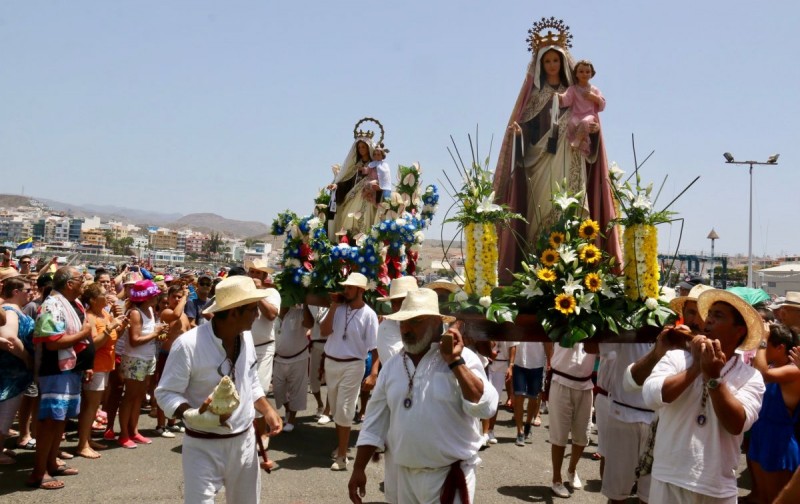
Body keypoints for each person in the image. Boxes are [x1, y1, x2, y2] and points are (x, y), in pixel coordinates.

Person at [493, 18, 620, 283]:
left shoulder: (575, 91)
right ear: (540, 65)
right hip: (540, 160)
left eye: (555, 60)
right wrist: (519, 134)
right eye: (547, 61)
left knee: (570, 207)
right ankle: (537, 265)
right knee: (540, 208)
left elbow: (593, 121)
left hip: (570, 157)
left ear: (563, 63)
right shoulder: (534, 96)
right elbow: (526, 128)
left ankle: (571, 266)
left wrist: (592, 131)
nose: (552, 65)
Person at [348, 288, 498, 503]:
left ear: (436, 322)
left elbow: (486, 408)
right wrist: (358, 468)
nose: (406, 329)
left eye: (415, 321)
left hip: (450, 478)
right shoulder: (391, 367)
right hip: (403, 476)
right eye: (403, 322)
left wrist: (455, 363)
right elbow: (374, 421)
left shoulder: (464, 358)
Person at [155, 276, 283, 504]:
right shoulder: (188, 345)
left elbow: (250, 379)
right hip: (202, 447)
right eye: (252, 309)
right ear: (233, 312)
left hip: (244, 444)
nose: (257, 315)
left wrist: (267, 409)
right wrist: (191, 414)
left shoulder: (246, 337)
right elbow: (165, 393)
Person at [642, 289, 765, 503]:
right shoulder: (677, 358)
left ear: (739, 330)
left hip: (717, 489)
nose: (708, 320)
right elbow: (651, 396)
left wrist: (714, 378)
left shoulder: (751, 376)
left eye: (718, 316)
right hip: (669, 479)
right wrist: (696, 368)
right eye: (710, 314)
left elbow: (737, 424)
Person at [28, 267, 94, 490]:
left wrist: (86, 363)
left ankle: (52, 462)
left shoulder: (73, 303)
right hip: (55, 372)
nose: (83, 282)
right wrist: (84, 333)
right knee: (50, 421)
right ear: (69, 284)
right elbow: (53, 343)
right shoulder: (52, 305)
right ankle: (39, 472)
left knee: (60, 420)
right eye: (80, 279)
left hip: (71, 371)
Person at [320, 272, 379, 471]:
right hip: (331, 363)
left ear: (360, 291)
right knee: (337, 410)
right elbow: (324, 331)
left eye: (350, 287)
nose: (345, 290)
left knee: (345, 409)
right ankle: (341, 446)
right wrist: (333, 306)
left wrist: (373, 373)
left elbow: (375, 348)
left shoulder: (369, 315)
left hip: (353, 365)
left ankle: (342, 456)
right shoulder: (337, 308)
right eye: (345, 287)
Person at [748, 322, 800, 503]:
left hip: (778, 443)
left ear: (780, 348)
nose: (760, 350)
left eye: (765, 346)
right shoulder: (772, 367)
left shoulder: (794, 371)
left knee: (775, 499)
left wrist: (762, 339)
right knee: (762, 498)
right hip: (761, 436)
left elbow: (762, 374)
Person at [75, 283, 126, 459]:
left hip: (105, 365)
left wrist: (121, 326)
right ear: (93, 300)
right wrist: (110, 327)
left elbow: (113, 338)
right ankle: (82, 444)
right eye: (104, 294)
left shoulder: (104, 313)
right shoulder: (90, 317)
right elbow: (93, 345)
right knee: (90, 406)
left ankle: (87, 439)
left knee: (93, 406)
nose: (108, 296)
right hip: (95, 366)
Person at [118, 280, 167, 448]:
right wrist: (156, 333)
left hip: (147, 358)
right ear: (146, 297)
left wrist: (158, 334)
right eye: (154, 295)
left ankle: (134, 430)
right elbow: (134, 340)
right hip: (135, 359)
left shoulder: (150, 310)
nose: (157, 297)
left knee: (138, 396)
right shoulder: (135, 313)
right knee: (130, 397)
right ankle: (124, 434)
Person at [547, 341, 596, 497]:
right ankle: (556, 479)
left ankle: (572, 470)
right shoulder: (561, 324)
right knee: (559, 436)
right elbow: (547, 339)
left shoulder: (596, 326)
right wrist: (549, 359)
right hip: (561, 380)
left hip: (586, 385)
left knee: (582, 436)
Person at [0, 276, 35, 464]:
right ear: (16, 292)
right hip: (10, 372)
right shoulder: (11, 311)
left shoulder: (14, 311)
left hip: (14, 372)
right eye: (28, 290)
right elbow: (10, 339)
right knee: (6, 411)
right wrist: (27, 358)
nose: (31, 293)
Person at [155, 283, 191, 437]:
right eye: (174, 297)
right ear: (168, 298)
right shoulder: (167, 312)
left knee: (180, 390)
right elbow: (175, 315)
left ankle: (172, 422)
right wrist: (185, 297)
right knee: (165, 389)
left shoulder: (184, 315)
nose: (177, 299)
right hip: (167, 355)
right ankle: (160, 425)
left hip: (182, 357)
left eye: (179, 297)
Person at [328, 130, 377, 238]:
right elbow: (348, 180)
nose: (361, 149)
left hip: (367, 198)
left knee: (365, 219)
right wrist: (336, 185)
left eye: (363, 147)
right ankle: (348, 240)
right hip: (353, 197)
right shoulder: (356, 166)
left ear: (368, 148)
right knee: (347, 218)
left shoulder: (374, 165)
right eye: (359, 147)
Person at [272, 304, 310, 432]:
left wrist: (305, 303)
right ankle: (288, 409)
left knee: (296, 391)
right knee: (277, 390)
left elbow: (310, 324)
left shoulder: (299, 312)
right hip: (279, 358)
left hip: (299, 358)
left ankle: (291, 420)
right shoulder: (273, 314)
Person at [558, 60, 605, 156]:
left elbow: (602, 103)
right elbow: (566, 99)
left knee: (584, 122)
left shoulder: (594, 89)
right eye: (581, 71)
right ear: (576, 74)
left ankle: (578, 140)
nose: (584, 74)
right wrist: (559, 97)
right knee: (571, 123)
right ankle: (581, 143)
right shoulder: (573, 89)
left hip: (590, 115)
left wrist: (594, 97)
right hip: (576, 115)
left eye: (587, 72)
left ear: (591, 74)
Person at [511, 341, 545, 447]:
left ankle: (528, 423)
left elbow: (547, 343)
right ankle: (520, 432)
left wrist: (550, 362)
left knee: (533, 398)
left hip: (537, 364)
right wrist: (510, 363)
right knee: (518, 397)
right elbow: (512, 343)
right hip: (519, 363)